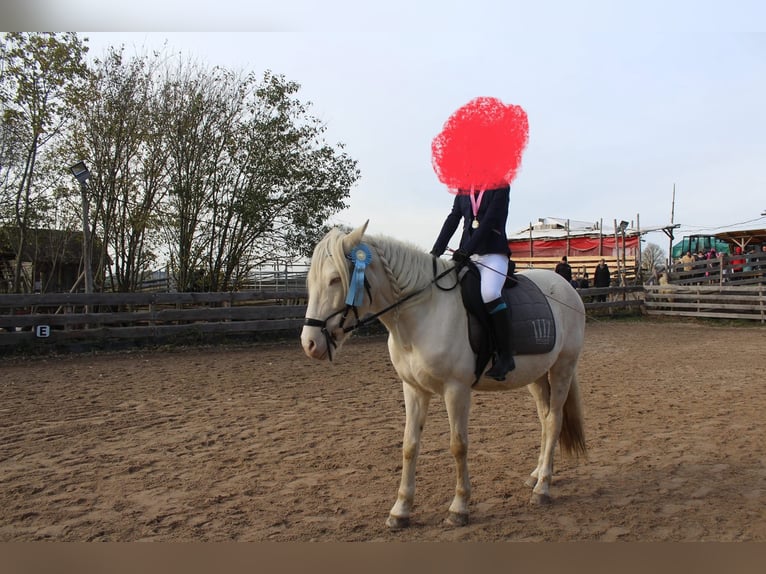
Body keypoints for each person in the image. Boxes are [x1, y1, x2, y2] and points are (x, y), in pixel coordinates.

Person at [431, 184, 515, 380]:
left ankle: (506, 354)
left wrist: (467, 249)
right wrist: (436, 250)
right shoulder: (463, 189)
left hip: (493, 254)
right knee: (444, 288)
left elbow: (490, 221)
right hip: (467, 254)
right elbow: (453, 218)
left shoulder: (500, 186)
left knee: (490, 293)